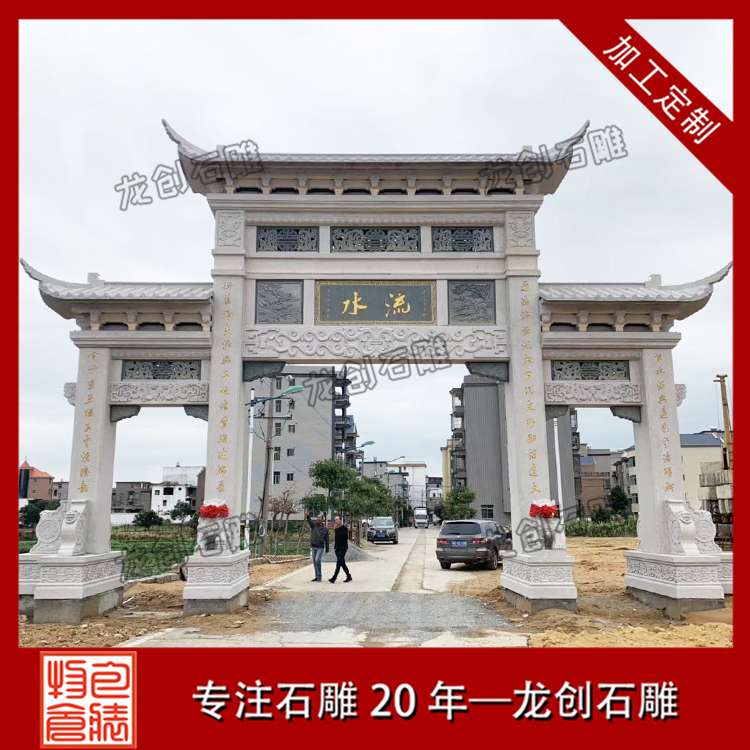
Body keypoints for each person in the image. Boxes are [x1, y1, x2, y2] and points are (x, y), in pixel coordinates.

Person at [329, 516, 352, 583]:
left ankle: (334, 578)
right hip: (337, 548)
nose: (336, 521)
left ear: (340, 520)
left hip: (343, 548)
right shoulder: (336, 529)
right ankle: (349, 576)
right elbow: (336, 538)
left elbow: (344, 537)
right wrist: (335, 547)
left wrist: (338, 529)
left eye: (337, 520)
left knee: (338, 563)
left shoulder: (345, 529)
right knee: (342, 563)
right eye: (335, 520)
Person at [307, 512, 329, 582]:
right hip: (313, 546)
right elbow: (310, 521)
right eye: (317, 517)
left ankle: (319, 576)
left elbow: (327, 539)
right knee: (314, 562)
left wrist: (327, 549)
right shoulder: (314, 526)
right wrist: (308, 516)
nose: (318, 519)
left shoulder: (325, 529)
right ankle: (316, 576)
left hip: (320, 547)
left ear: (322, 519)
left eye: (319, 517)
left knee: (317, 560)